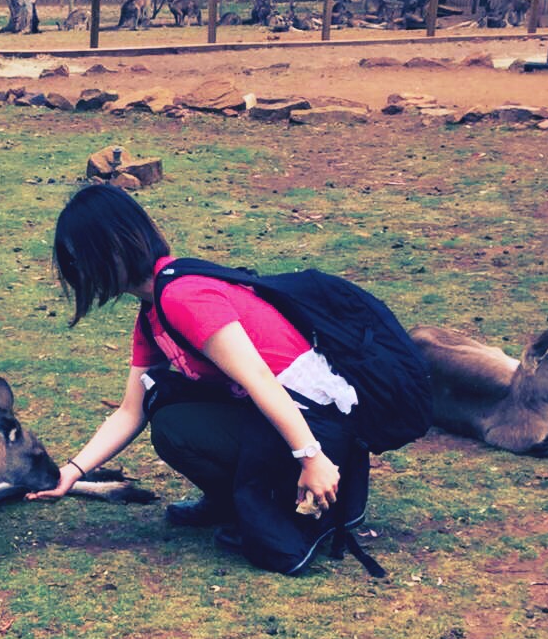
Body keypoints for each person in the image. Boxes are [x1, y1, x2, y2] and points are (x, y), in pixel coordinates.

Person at [28, 183, 370, 575]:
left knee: (175, 424)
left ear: (114, 246)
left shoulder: (182, 296)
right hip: (283, 421)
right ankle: (232, 502)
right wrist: (71, 473)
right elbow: (130, 411)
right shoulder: (152, 312)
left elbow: (260, 378)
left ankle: (281, 507)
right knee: (167, 407)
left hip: (317, 426)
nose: (79, 271)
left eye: (81, 257)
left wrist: (312, 458)